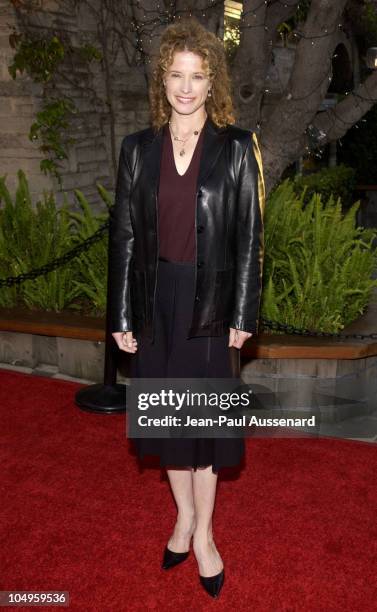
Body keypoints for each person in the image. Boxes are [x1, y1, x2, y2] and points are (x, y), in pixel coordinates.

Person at [109, 17, 265, 599]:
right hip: (156, 304)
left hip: (211, 304)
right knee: (168, 422)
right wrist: (121, 316)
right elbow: (124, 235)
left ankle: (204, 536)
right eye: (176, 74)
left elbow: (250, 236)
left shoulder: (236, 147)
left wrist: (243, 312)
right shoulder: (137, 149)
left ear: (211, 82)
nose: (185, 86)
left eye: (197, 76)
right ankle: (181, 517)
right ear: (162, 79)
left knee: (201, 427)